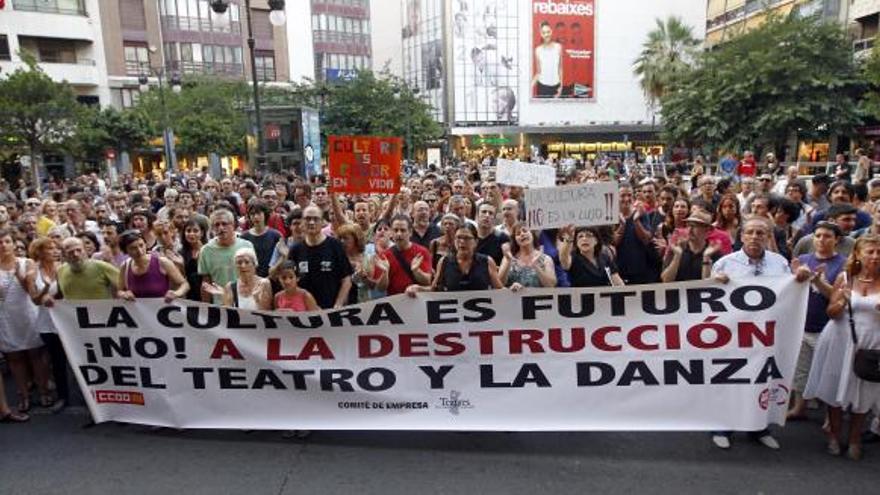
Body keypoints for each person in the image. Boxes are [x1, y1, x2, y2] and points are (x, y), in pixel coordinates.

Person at [711, 216, 813, 450]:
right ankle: (722, 427)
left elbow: (788, 295)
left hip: (766, 336)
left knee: (762, 382)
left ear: (768, 237)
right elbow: (708, 296)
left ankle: (758, 429)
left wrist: (800, 280)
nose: (755, 237)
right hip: (734, 335)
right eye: (750, 232)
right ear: (742, 236)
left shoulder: (780, 263)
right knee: (731, 380)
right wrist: (715, 282)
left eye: (761, 233)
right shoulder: (726, 263)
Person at [804, 234, 880, 460]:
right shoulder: (846, 278)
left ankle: (855, 438)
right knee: (835, 390)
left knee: (864, 392)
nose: (875, 257)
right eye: (870, 252)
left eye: (879, 252)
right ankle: (834, 436)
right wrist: (841, 302)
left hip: (872, 344)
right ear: (858, 254)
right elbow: (831, 313)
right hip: (840, 339)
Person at [788, 222, 846, 420]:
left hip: (828, 327)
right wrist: (795, 277)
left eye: (827, 236)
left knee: (829, 372)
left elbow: (837, 297)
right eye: (818, 235)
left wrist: (817, 281)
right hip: (802, 324)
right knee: (801, 371)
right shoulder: (803, 259)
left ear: (837, 240)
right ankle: (799, 408)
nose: (822, 240)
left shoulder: (844, 263)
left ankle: (831, 418)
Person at [0, 229, 52, 413]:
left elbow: (31, 293)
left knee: (36, 354)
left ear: (14, 244)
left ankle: (44, 391)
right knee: (14, 357)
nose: (3, 245)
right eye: (0, 242)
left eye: (7, 241)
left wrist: (19, 277)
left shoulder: (26, 262)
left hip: (29, 313)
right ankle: (23, 395)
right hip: (6, 317)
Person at [287, 205, 353, 309]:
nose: (311, 222)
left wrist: (339, 304)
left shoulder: (335, 246)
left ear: (322, 222)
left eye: (316, 219)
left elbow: (346, 279)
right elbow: (289, 281)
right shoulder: (295, 250)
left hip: (330, 311)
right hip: (304, 312)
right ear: (302, 222)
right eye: (308, 219)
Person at [409, 223, 503, 294]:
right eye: (458, 238)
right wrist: (418, 288)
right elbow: (434, 289)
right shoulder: (444, 262)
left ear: (476, 242)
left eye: (466, 238)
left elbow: (500, 290)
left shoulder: (487, 262)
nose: (462, 242)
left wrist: (514, 290)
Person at [198, 209, 254, 304]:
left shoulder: (247, 246)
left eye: (224, 224)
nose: (221, 228)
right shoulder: (206, 250)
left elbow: (253, 276)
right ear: (212, 228)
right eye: (217, 225)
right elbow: (206, 282)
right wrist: (205, 308)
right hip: (220, 304)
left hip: (245, 303)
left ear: (233, 225)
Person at [116, 230, 188, 302]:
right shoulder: (125, 266)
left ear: (146, 244)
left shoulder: (162, 262)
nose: (139, 251)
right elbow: (120, 290)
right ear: (126, 250)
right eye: (133, 248)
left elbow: (185, 284)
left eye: (141, 245)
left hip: (161, 310)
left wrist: (176, 293)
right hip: (135, 312)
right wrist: (124, 294)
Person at [375, 214, 433, 296]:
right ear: (391, 232)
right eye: (395, 230)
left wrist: (416, 271)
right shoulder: (384, 256)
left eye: (403, 230)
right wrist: (385, 272)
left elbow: (427, 281)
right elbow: (380, 288)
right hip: (395, 303)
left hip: (418, 302)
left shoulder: (422, 252)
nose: (399, 234)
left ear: (410, 232)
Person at [661, 211, 722, 283]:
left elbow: (709, 286)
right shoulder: (675, 249)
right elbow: (665, 281)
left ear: (707, 230)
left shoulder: (714, 252)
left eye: (695, 226)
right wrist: (677, 256)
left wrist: (706, 257)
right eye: (688, 225)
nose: (690, 229)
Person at [206, 248, 273, 310]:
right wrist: (223, 295)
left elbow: (267, 313)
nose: (243, 266)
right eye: (239, 263)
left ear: (254, 265)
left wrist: (257, 299)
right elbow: (229, 314)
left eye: (247, 262)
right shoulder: (230, 286)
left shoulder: (264, 283)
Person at [558, 224, 624, 287]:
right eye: (580, 236)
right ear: (576, 242)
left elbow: (617, 281)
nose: (584, 239)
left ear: (596, 240)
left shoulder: (604, 256)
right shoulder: (574, 258)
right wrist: (569, 238)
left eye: (589, 235)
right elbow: (564, 262)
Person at [499, 223, 556, 289]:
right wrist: (508, 261)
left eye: (525, 231)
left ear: (532, 234)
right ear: (515, 240)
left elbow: (551, 285)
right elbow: (499, 284)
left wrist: (536, 265)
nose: (522, 234)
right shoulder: (508, 257)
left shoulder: (546, 259)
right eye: (518, 234)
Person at [240, 199, 282, 278]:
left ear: (265, 214)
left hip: (273, 278)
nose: (255, 217)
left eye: (258, 213)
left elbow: (280, 258)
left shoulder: (275, 235)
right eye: (252, 214)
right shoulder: (244, 237)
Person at [532, 21, 563, 98]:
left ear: (551, 31)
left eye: (548, 32)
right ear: (541, 34)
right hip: (542, 87)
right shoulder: (537, 50)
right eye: (544, 32)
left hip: (556, 87)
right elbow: (538, 72)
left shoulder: (558, 47)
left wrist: (561, 86)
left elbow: (560, 68)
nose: (546, 34)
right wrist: (529, 86)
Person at [180, 218, 208, 302]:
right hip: (188, 294)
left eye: (195, 231)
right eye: (188, 231)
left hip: (206, 292)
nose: (191, 234)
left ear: (202, 233)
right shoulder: (180, 253)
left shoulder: (208, 250)